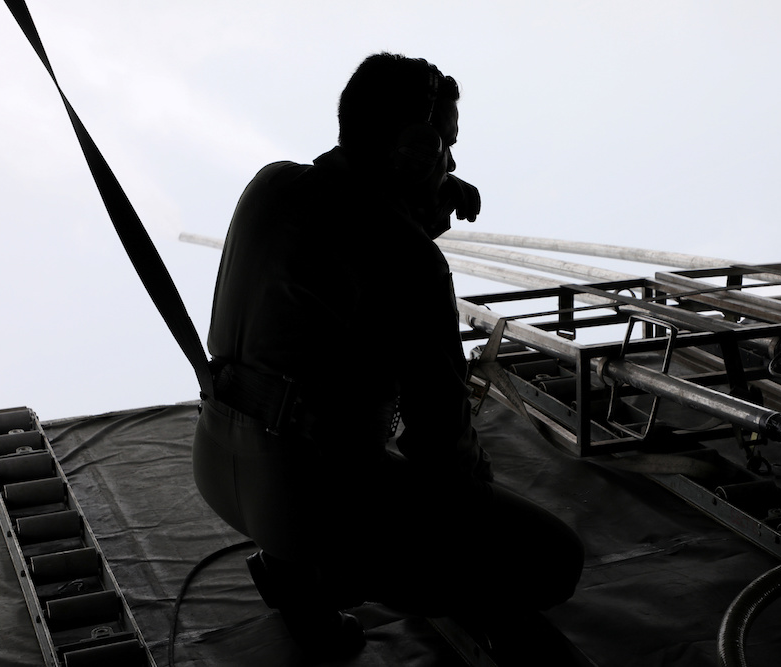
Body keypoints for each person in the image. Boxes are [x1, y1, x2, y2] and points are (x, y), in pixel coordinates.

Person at [192, 53, 584, 660]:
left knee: (329, 444)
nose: (451, 165)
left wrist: (408, 200)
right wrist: (478, 507)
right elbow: (440, 444)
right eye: (444, 149)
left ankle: (291, 574)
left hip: (218, 464)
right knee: (550, 559)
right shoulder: (410, 259)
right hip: (307, 500)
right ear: (414, 150)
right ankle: (325, 575)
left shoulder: (272, 182)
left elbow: (332, 262)